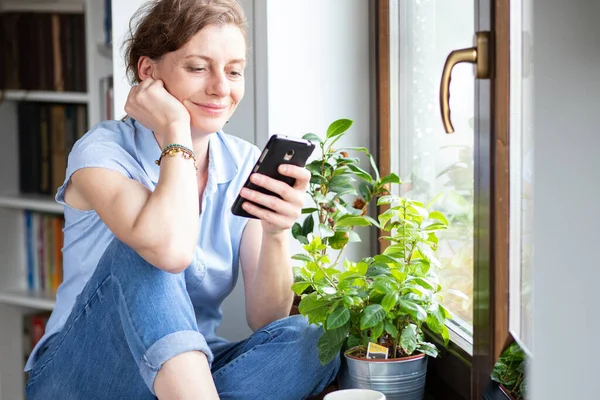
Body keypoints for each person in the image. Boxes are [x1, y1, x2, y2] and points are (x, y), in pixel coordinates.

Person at [24, 0, 340, 398]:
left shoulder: (243, 163)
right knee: (143, 254)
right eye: (197, 67)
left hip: (187, 376)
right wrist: (176, 130)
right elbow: (169, 251)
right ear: (148, 71)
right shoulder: (101, 151)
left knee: (311, 338)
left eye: (234, 71)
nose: (221, 88)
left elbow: (266, 319)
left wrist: (276, 232)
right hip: (81, 376)